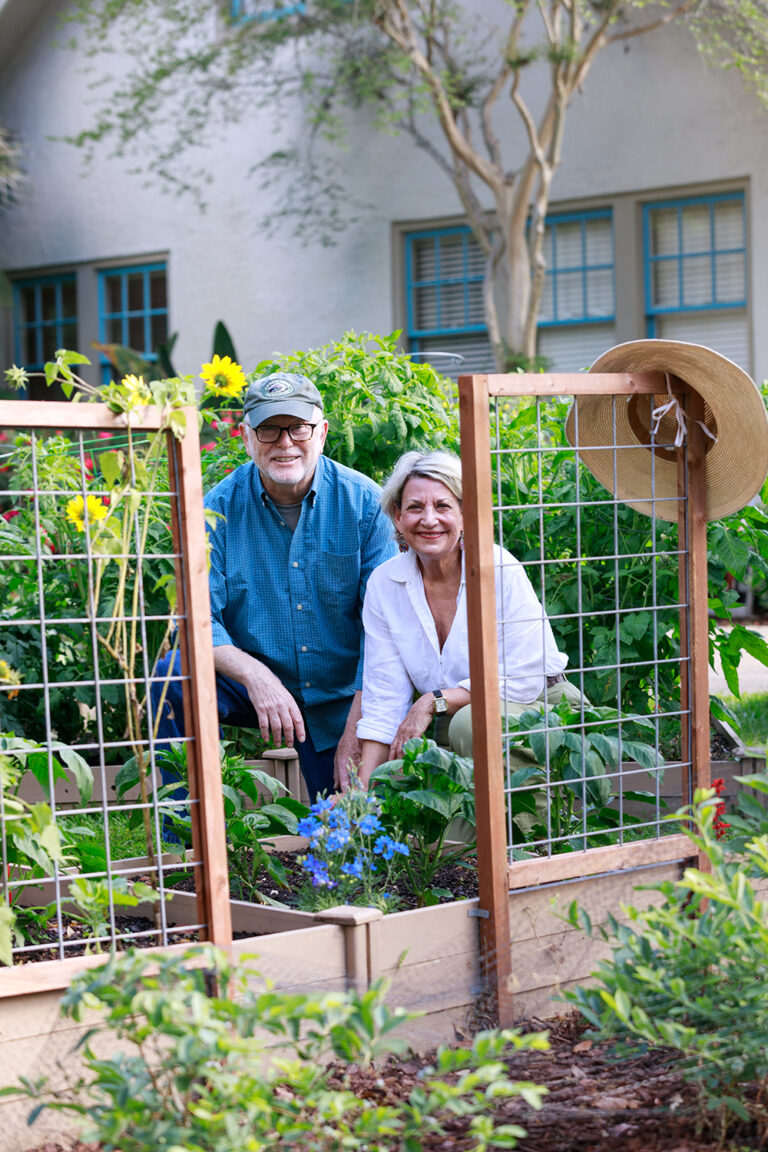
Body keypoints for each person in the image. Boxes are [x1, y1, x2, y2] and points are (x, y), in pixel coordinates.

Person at [151, 371, 397, 801]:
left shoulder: (365, 505)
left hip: (341, 697)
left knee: (350, 829)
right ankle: (185, 844)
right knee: (170, 676)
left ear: (321, 432)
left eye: (298, 427)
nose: (284, 443)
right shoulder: (215, 512)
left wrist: (363, 725)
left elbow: (387, 630)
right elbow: (195, 619)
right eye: (268, 429)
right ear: (246, 437)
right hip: (252, 686)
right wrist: (256, 676)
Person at [354, 451, 582, 787]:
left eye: (443, 506)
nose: (429, 519)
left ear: (465, 513)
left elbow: (523, 679)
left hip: (539, 707)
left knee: (468, 727)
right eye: (415, 507)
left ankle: (536, 832)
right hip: (458, 720)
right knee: (417, 816)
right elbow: (384, 699)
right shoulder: (384, 585)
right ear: (398, 516)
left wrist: (433, 700)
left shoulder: (497, 569)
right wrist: (361, 794)